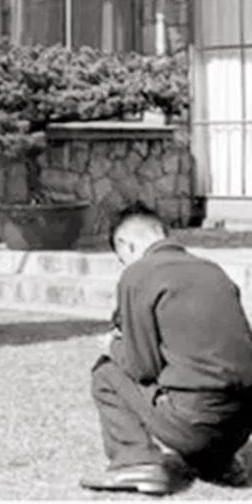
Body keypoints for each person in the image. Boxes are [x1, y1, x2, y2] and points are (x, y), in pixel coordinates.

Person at [80, 202, 252, 495]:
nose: (125, 265)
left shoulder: (139, 274)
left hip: (194, 423)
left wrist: (115, 346)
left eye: (122, 259)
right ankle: (219, 463)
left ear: (126, 245)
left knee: (106, 373)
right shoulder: (213, 271)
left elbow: (141, 368)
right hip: (241, 425)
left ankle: (135, 461)